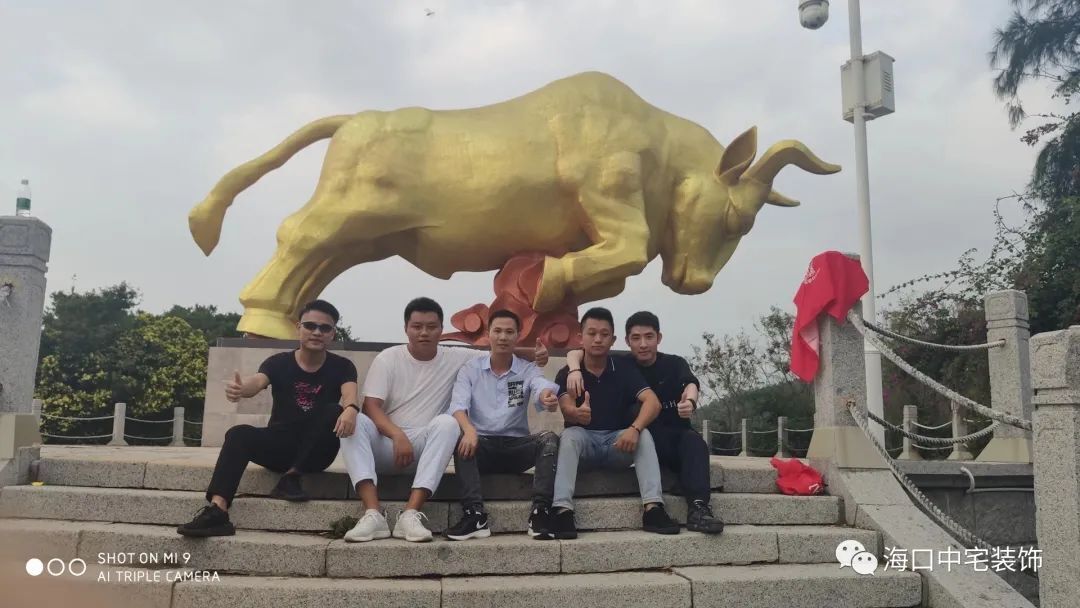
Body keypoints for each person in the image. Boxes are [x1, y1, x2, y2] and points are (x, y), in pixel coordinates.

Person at [340, 297, 548, 543]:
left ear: (441, 330)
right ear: (406, 328)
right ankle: (373, 514)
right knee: (352, 421)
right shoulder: (388, 358)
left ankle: (411, 514)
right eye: (417, 326)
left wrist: (535, 354)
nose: (424, 333)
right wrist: (396, 434)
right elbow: (371, 406)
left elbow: (496, 351)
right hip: (387, 444)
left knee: (448, 423)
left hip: (427, 447)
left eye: (431, 327)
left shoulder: (456, 357)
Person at [178, 300, 359, 537]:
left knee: (334, 410)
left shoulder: (342, 366)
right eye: (310, 325)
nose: (317, 332)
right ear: (298, 327)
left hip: (317, 452)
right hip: (280, 445)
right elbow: (257, 382)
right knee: (238, 434)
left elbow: (350, 395)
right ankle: (218, 511)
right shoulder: (278, 362)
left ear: (333, 333)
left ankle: (292, 477)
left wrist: (351, 409)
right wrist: (242, 388)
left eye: (324, 328)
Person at [565, 311, 724, 533]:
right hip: (640, 439)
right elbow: (577, 352)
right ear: (626, 341)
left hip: (673, 436)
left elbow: (690, 383)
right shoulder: (621, 363)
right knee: (636, 414)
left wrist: (690, 401)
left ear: (659, 338)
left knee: (695, 443)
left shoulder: (674, 363)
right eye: (636, 338)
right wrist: (574, 369)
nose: (643, 344)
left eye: (649, 337)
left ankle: (698, 509)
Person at [547, 307, 680, 540]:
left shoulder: (624, 369)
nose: (598, 339)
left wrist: (634, 428)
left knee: (644, 434)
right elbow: (565, 407)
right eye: (591, 333)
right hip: (584, 444)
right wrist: (576, 414)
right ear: (580, 338)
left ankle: (653, 509)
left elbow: (653, 402)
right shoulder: (568, 372)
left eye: (604, 334)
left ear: (613, 339)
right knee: (569, 436)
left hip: (617, 444)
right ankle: (562, 510)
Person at [444, 309, 561, 541]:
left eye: (509, 332)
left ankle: (540, 512)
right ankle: (474, 516)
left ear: (518, 336)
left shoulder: (527, 369)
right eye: (497, 331)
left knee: (549, 439)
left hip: (516, 448)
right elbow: (458, 406)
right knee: (460, 438)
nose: (503, 337)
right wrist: (469, 430)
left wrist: (546, 396)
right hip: (481, 446)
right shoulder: (471, 369)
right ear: (488, 334)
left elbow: (540, 385)